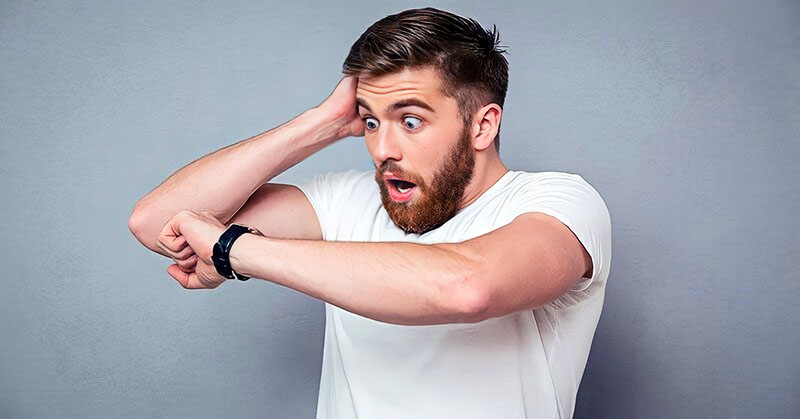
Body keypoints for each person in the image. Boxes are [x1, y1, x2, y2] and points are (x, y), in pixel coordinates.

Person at [128, 7, 612, 419]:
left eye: (411, 120)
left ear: (482, 125)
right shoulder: (346, 200)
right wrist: (322, 123)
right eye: (373, 120)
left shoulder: (559, 202)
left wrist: (234, 250)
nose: (382, 147)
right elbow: (157, 223)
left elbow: (467, 288)